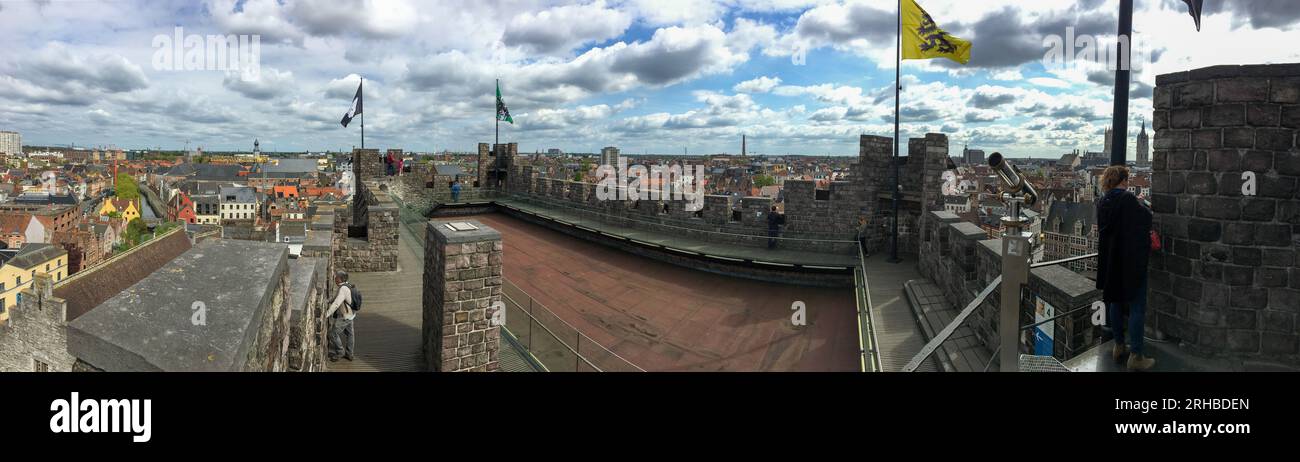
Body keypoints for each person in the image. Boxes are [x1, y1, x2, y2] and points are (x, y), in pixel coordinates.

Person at [1096, 165, 1155, 371]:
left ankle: (1119, 346)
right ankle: (1136, 356)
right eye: (1127, 180)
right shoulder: (1127, 199)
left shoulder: (1102, 201)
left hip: (1112, 262)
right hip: (1130, 261)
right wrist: (1143, 205)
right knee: (1137, 305)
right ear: (1123, 180)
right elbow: (1146, 218)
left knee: (1115, 302)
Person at [326, 270, 356, 362]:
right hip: (351, 314)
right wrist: (328, 301)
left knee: (333, 334)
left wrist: (326, 314)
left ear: (339, 279)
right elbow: (336, 298)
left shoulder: (343, 289)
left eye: (335, 277)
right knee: (350, 334)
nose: (334, 278)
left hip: (345, 316)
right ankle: (349, 354)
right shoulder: (347, 285)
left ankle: (340, 351)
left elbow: (336, 304)